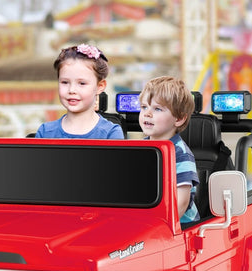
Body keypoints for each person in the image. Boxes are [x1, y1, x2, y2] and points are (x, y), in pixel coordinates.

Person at [138, 76, 199, 223]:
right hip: (147, 219)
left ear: (179, 119)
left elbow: (181, 202)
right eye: (144, 107)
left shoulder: (180, 154)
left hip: (179, 227)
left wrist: (160, 228)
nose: (147, 113)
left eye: (157, 109)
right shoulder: (140, 148)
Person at [35, 44, 124, 139]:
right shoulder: (45, 132)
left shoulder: (110, 133)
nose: (72, 90)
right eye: (65, 82)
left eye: (82, 83)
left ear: (100, 86)